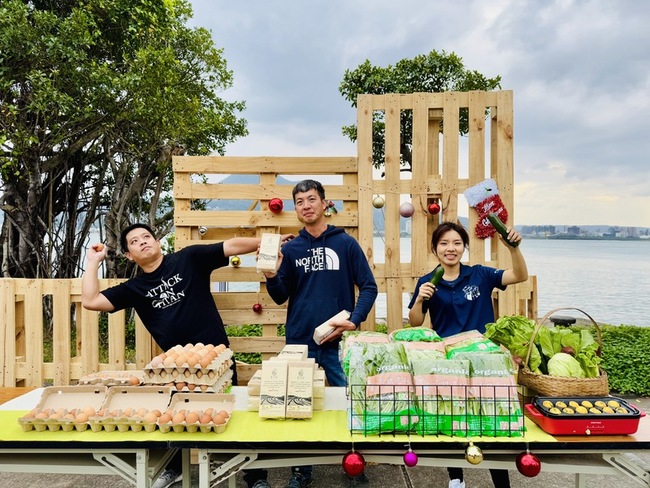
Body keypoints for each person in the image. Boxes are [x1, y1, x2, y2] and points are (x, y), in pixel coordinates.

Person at [82, 223, 292, 488]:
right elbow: (91, 301)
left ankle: (255, 477)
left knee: (235, 412)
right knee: (175, 417)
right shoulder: (134, 288)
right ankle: (174, 469)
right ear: (129, 255)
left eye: (147, 236)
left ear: (158, 241)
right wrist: (92, 261)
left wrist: (268, 241)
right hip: (175, 369)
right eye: (135, 242)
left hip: (217, 360)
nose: (143, 242)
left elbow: (231, 246)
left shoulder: (188, 259)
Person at [261, 179, 378, 488]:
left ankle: (354, 465)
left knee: (353, 404)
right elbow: (279, 296)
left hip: (341, 344)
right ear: (296, 209)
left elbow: (368, 286)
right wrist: (272, 275)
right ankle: (301, 470)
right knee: (299, 407)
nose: (306, 205)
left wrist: (354, 320)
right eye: (299, 202)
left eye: (312, 199)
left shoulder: (346, 244)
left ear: (325, 203)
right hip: (300, 343)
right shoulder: (292, 248)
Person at [408, 220, 528, 488]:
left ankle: (501, 482)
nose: (451, 248)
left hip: (485, 362)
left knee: (490, 423)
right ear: (434, 249)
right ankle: (456, 480)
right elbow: (415, 322)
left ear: (464, 247)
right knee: (453, 420)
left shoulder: (481, 275)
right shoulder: (427, 281)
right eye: (444, 243)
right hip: (449, 363)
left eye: (456, 243)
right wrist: (419, 300)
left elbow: (519, 275)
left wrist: (513, 248)